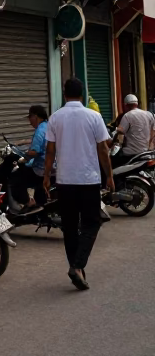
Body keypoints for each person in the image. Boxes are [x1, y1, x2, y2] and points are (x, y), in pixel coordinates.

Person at [43, 77, 114, 291]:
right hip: (88, 179)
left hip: (65, 180)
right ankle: (77, 266)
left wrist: (46, 176)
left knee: (70, 227)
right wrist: (109, 175)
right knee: (92, 223)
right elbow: (103, 149)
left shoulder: (55, 117)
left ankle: (77, 268)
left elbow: (49, 151)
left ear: (64, 94)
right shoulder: (94, 116)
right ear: (81, 94)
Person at [10, 105, 49, 208]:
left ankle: (28, 202)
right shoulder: (47, 126)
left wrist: (23, 156)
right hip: (51, 166)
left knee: (15, 179)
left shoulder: (39, 130)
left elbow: (34, 152)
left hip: (41, 168)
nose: (30, 121)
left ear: (35, 116)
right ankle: (40, 204)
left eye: (30, 117)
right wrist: (22, 142)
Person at [110, 93, 155, 160]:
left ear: (126, 105)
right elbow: (153, 132)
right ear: (137, 104)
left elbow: (120, 131)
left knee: (114, 159)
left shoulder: (127, 115)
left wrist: (115, 130)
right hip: (148, 152)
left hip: (131, 152)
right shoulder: (149, 114)